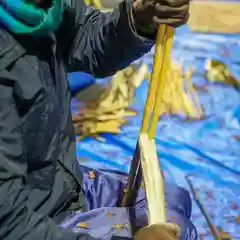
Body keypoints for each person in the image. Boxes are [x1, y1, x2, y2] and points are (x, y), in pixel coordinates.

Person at [0, 0, 196, 239]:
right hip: (34, 219)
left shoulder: (41, 7)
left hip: (60, 181)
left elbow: (82, 34)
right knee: (180, 232)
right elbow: (9, 224)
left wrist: (138, 21)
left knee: (174, 201)